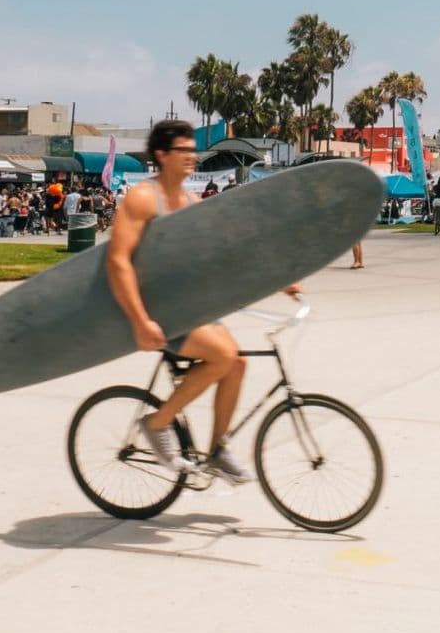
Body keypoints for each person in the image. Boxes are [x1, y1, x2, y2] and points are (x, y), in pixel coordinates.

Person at [106, 119, 300, 483]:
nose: (193, 156)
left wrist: (278, 280)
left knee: (237, 364)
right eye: (185, 150)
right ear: (163, 155)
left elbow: (223, 251)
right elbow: (118, 261)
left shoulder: (192, 200)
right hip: (159, 310)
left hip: (190, 307)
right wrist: (139, 320)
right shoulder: (143, 197)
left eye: (194, 150)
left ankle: (216, 451)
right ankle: (157, 422)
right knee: (223, 356)